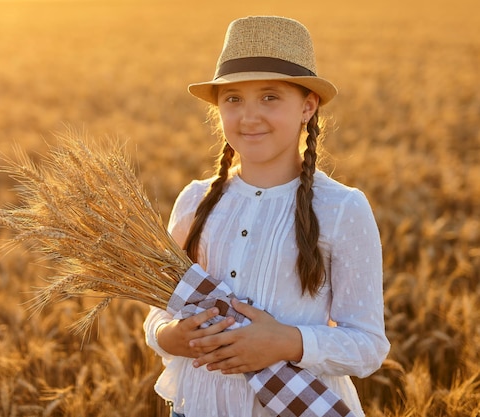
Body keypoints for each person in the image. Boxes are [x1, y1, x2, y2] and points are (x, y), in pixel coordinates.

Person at [143, 15, 390, 417]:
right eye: (233, 99)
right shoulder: (194, 201)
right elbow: (159, 310)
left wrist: (286, 342)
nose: (249, 116)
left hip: (300, 407)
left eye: (270, 97)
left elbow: (368, 345)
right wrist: (170, 336)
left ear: (307, 107)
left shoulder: (342, 209)